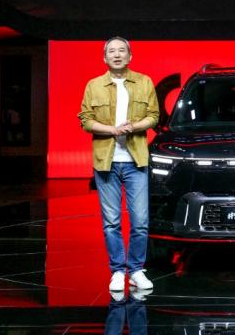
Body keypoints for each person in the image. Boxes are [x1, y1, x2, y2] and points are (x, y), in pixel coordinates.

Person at [79, 36, 160, 293]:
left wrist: (132, 127)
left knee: (141, 221)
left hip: (136, 160)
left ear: (130, 56)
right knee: (111, 222)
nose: (117, 54)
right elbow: (85, 120)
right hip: (106, 162)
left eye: (121, 50)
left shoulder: (144, 82)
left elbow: (154, 116)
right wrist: (113, 130)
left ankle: (135, 270)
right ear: (104, 58)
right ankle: (117, 271)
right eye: (111, 51)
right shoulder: (94, 85)